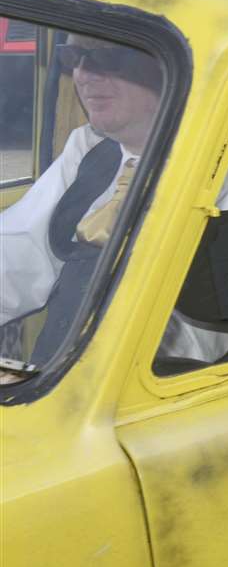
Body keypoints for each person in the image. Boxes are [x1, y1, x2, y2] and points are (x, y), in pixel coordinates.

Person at [1, 37, 164, 363]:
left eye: (109, 56)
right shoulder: (89, 149)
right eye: (74, 55)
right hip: (53, 381)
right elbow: (17, 256)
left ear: (169, 69)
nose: (85, 74)